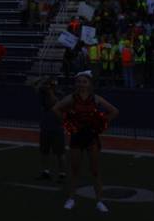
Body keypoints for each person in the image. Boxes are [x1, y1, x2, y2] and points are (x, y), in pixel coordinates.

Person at [52, 71, 119, 214]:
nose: (81, 84)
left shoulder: (95, 98)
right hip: (76, 136)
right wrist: (66, 121)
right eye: (79, 81)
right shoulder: (71, 98)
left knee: (94, 171)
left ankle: (99, 201)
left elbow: (114, 111)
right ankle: (71, 199)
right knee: (75, 170)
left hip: (91, 137)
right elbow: (56, 109)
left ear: (90, 84)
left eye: (84, 81)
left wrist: (101, 122)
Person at [37, 77, 66, 182]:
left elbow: (55, 102)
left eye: (50, 85)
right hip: (45, 126)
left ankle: (62, 173)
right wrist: (41, 84)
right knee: (44, 152)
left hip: (57, 127)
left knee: (60, 153)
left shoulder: (59, 94)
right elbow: (35, 87)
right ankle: (45, 171)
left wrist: (49, 91)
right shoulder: (42, 94)